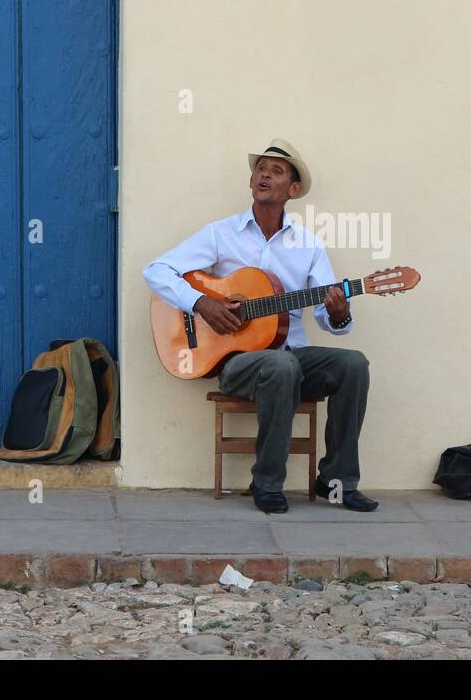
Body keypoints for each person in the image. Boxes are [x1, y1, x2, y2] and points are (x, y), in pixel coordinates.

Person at [143, 139, 377, 514]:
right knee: (279, 364)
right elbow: (156, 271)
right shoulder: (221, 234)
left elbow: (324, 315)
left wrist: (338, 314)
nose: (265, 174)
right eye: (261, 168)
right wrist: (202, 302)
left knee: (353, 364)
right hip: (237, 363)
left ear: (293, 190)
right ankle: (267, 482)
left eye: (277, 170)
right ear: (252, 180)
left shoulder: (309, 246)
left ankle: (337, 480)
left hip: (293, 356)